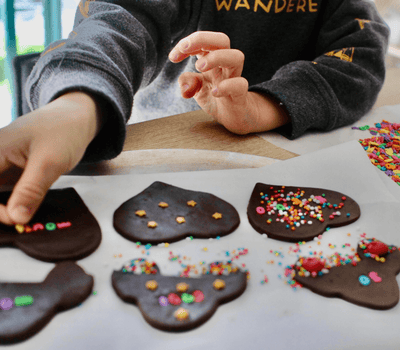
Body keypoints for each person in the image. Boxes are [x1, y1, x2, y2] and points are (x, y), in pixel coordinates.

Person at [0, 0, 389, 226]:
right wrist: (77, 101)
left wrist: (266, 105)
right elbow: (116, 23)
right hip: (146, 160)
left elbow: (363, 52)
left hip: (287, 160)